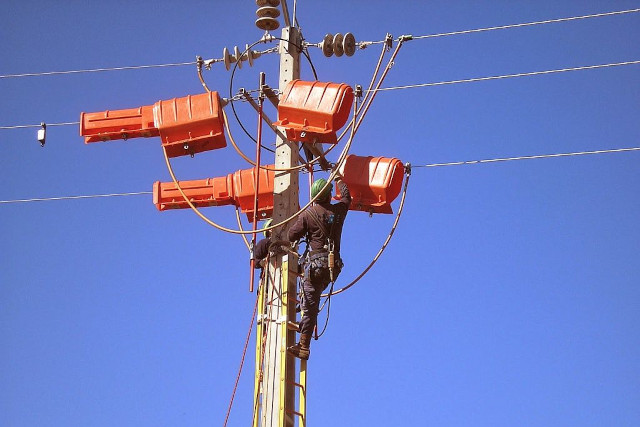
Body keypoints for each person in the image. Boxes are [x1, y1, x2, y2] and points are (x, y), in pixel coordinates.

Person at [286, 173, 351, 360]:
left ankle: (304, 346)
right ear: (329, 195)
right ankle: (304, 340)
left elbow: (292, 235)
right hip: (331, 269)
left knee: (309, 305)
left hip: (315, 268)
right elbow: (347, 198)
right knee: (310, 303)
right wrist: (339, 179)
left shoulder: (309, 214)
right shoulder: (338, 212)